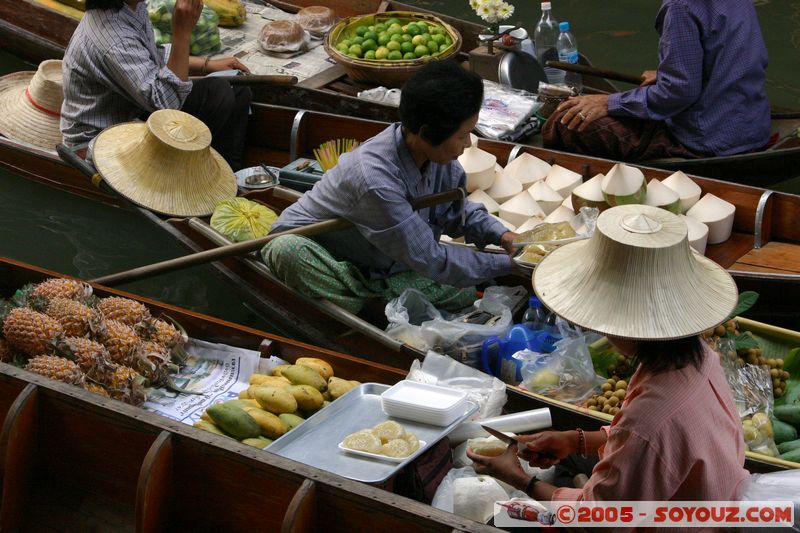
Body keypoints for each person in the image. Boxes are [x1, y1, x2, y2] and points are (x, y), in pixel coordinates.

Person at [467, 204, 750, 504]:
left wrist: (521, 480)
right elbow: (647, 442)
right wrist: (576, 441)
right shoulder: (700, 357)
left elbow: (599, 519)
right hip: (712, 495)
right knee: (573, 463)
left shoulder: (648, 422)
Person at [262, 61, 518, 315]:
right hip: (332, 258)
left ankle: (380, 300)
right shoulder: (374, 179)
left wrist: (503, 237)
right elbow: (431, 258)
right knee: (287, 252)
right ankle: (372, 308)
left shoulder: (439, 158)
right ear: (426, 132)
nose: (467, 144)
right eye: (462, 135)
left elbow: (457, 213)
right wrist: (511, 265)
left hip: (386, 261)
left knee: (464, 289)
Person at [542, 0, 771, 161]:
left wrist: (608, 103)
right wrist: (665, 75)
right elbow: (734, 56)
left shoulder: (680, 7)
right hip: (753, 125)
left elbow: (678, 93)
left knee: (565, 123)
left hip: (707, 139)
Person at [60, 0, 252, 169]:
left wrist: (207, 65)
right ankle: (183, 175)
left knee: (237, 87)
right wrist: (182, 32)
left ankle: (227, 172)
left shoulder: (132, 7)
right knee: (217, 93)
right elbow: (165, 104)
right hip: (103, 140)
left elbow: (151, 55)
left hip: (133, 110)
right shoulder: (115, 39)